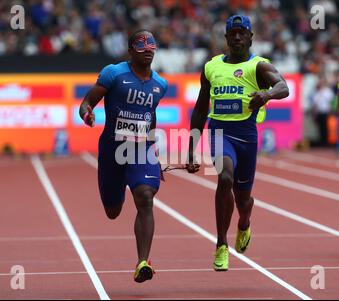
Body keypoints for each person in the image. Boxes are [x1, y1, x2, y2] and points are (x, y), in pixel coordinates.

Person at [186, 15, 289, 271]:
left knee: (243, 199)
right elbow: (200, 110)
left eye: (242, 32)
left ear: (251, 37)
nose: (237, 37)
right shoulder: (211, 67)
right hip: (219, 133)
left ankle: (244, 221)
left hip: (247, 138)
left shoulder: (258, 66)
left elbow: (283, 86)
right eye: (233, 33)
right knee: (224, 178)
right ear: (226, 38)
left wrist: (266, 94)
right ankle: (221, 244)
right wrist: (191, 149)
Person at [79, 30, 168, 283]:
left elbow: (150, 117)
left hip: (141, 149)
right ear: (131, 50)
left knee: (145, 197)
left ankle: (143, 262)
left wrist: (155, 153)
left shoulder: (160, 85)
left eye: (152, 43)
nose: (148, 48)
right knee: (113, 211)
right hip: (112, 150)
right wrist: (87, 114)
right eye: (142, 44)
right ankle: (116, 197)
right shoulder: (113, 73)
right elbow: (87, 102)